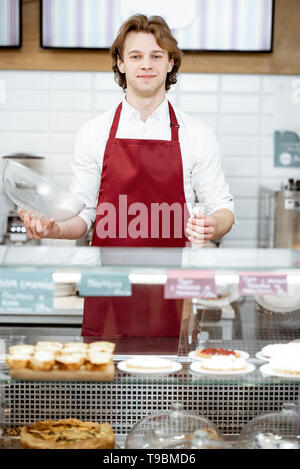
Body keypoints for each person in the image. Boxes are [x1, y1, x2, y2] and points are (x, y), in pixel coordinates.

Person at [20, 15, 234, 338]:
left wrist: (213, 224)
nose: (146, 64)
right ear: (120, 63)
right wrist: (55, 228)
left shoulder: (197, 134)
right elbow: (85, 215)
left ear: (170, 63)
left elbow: (224, 210)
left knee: (171, 385)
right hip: (108, 290)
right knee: (104, 383)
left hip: (173, 292)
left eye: (156, 55)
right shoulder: (94, 133)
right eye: (135, 56)